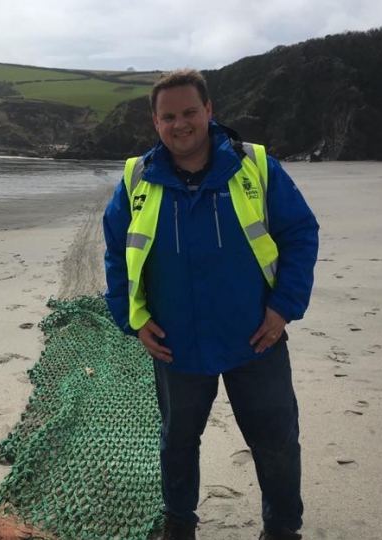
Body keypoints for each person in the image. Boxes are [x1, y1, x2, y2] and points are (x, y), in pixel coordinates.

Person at [103, 69, 319, 540]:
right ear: (154, 122)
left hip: (255, 337)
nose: (180, 124)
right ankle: (178, 524)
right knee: (177, 442)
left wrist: (283, 308)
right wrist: (133, 319)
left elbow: (301, 233)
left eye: (189, 112)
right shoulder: (137, 178)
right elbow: (116, 251)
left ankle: (283, 528)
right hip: (175, 342)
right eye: (168, 116)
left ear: (209, 111)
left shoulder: (256, 167)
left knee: (276, 443)